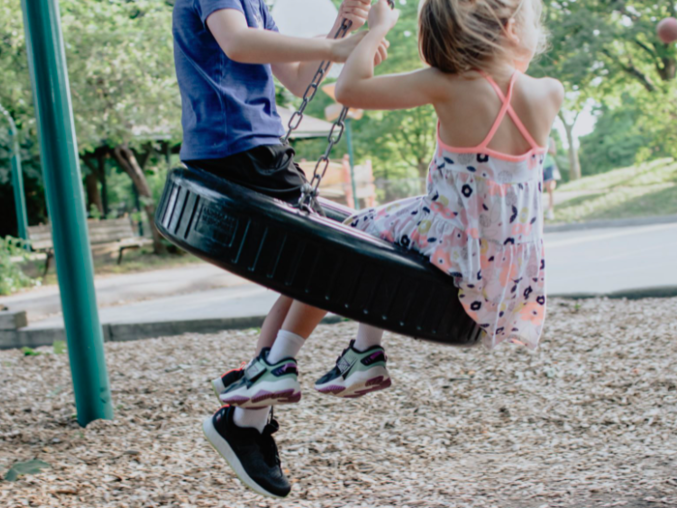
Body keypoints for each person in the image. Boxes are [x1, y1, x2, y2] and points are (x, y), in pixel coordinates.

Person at [215, 0, 564, 440]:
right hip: (507, 269)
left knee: (348, 238)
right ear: (511, 29)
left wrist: (378, 29)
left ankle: (281, 359)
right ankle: (363, 351)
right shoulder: (549, 91)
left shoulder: (448, 85)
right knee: (386, 235)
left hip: (451, 240)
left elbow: (349, 89)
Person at [172, 0, 389, 498]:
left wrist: (347, 26)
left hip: (257, 148)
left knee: (312, 272)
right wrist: (336, 45)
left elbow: (296, 81)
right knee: (337, 255)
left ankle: (249, 416)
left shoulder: (257, 5)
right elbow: (236, 43)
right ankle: (253, 412)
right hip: (237, 149)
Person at [542, 137, 561, 220]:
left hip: (549, 166)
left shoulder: (550, 139)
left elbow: (553, 152)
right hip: (539, 166)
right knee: (539, 191)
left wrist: (544, 147)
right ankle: (540, 211)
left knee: (550, 189)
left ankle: (550, 211)